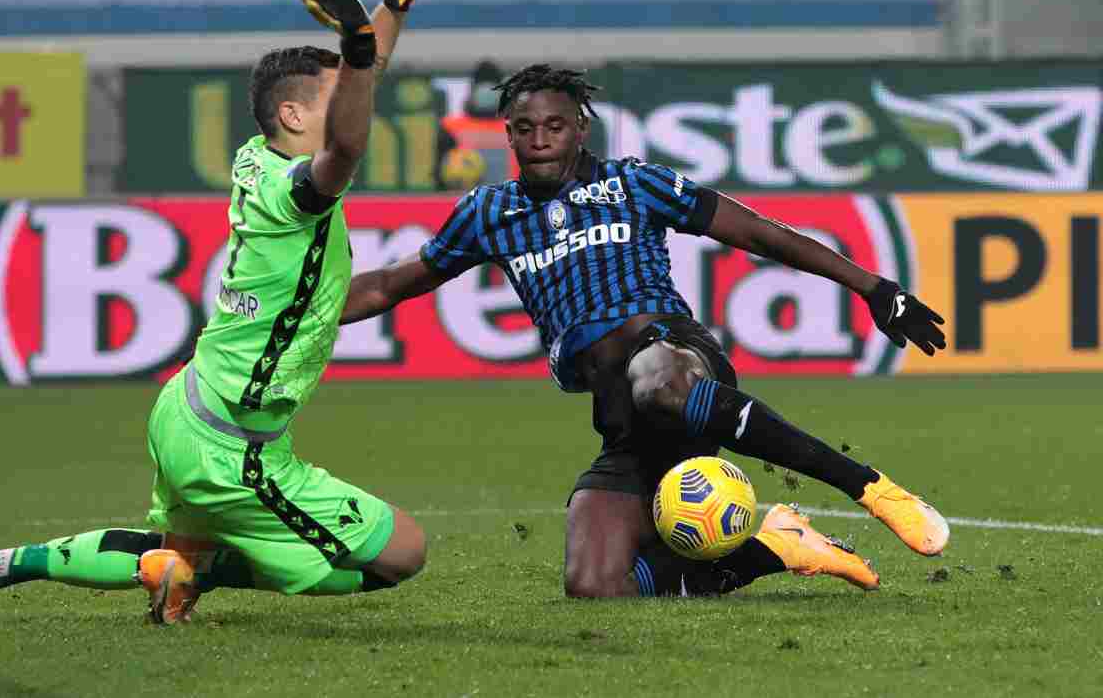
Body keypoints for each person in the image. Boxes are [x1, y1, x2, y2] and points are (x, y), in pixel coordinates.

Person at [0, 0, 445, 623]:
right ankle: (193, 574)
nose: (358, 95)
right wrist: (357, 46)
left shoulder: (257, 155)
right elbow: (350, 141)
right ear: (296, 113)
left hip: (187, 405)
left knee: (167, 547)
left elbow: (356, 99)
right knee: (402, 552)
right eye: (342, 89)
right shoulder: (294, 189)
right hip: (236, 446)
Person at [339, 64, 950, 598]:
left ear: (580, 128)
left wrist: (873, 287)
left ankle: (871, 488)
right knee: (596, 586)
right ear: (509, 135)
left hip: (678, 359)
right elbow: (389, 285)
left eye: (555, 126)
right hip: (622, 417)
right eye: (525, 130)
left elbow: (762, 233)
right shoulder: (488, 213)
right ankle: (781, 546)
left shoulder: (633, 184)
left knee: (656, 380)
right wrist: (282, 309)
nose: (540, 141)